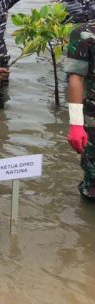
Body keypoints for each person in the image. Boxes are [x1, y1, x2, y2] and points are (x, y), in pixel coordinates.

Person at [64, 17, 95, 201]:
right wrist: (76, 124)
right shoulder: (84, 32)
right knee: (92, 178)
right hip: (92, 115)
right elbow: (76, 77)